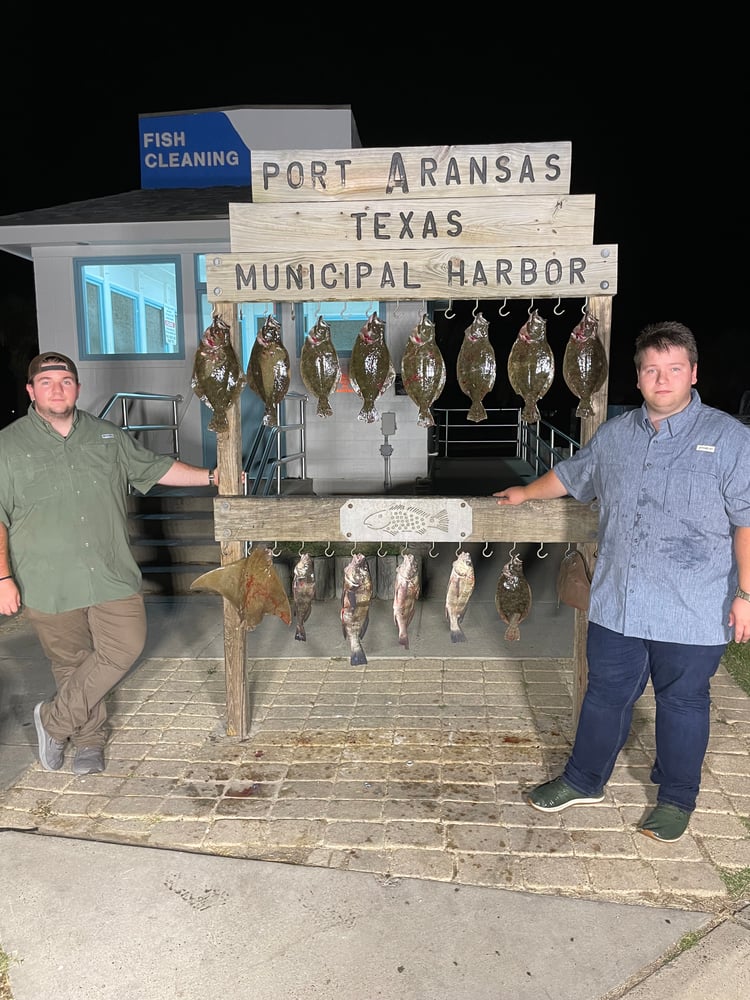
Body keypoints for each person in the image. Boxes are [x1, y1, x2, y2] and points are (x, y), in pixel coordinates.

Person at [495, 321, 750, 843]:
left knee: (683, 702)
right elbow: (571, 476)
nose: (662, 379)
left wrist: (747, 594)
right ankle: (583, 779)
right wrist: (525, 494)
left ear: (693, 374)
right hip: (619, 602)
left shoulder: (730, 439)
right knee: (604, 695)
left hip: (695, 604)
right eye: (652, 370)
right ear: (637, 378)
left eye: (673, 369)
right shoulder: (614, 436)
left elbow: (748, 520)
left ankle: (677, 799)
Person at [0, 352, 223, 777]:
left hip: (110, 572)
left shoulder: (107, 436)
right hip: (47, 580)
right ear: (31, 391)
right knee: (71, 662)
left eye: (65, 380)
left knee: (124, 645)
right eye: (46, 382)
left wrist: (212, 477)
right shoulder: (7, 447)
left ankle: (52, 722)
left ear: (78, 389)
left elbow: (155, 468)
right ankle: (88, 741)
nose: (57, 388)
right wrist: (3, 577)